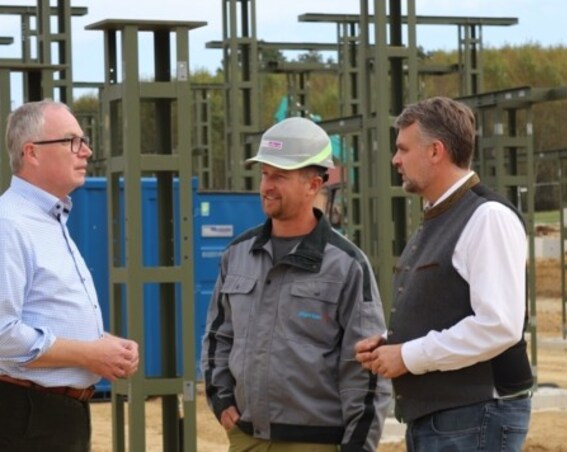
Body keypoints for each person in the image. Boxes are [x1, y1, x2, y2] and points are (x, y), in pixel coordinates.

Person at [201, 117, 391, 451]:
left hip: (315, 443)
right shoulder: (238, 254)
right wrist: (221, 398)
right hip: (248, 439)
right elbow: (219, 336)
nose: (266, 186)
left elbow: (365, 369)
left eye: (280, 176)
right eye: (264, 174)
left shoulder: (346, 265)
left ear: (313, 184)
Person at [355, 96, 534, 451]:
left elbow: (499, 325)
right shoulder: (440, 216)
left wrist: (408, 356)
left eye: (403, 149)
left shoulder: (487, 218)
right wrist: (392, 345)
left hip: (474, 417)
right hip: (448, 419)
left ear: (436, 151)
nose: (396, 160)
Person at [0, 99, 139, 451]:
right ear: (32, 152)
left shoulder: (48, 220)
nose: (86, 151)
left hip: (56, 411)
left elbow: (46, 312)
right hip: (30, 413)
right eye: (72, 141)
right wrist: (87, 355)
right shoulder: (7, 225)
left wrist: (103, 344)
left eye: (84, 140)